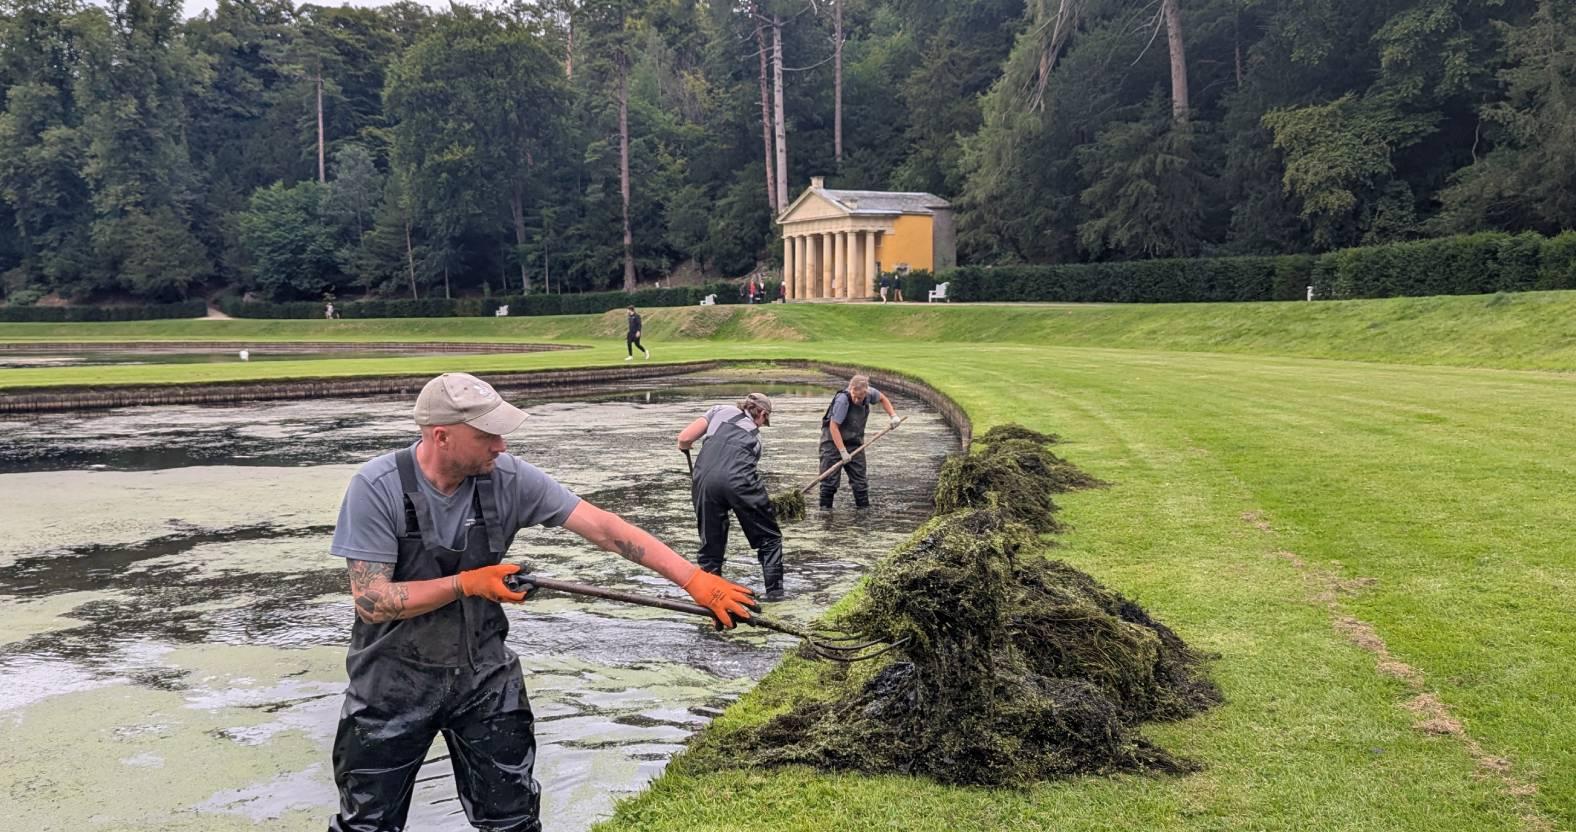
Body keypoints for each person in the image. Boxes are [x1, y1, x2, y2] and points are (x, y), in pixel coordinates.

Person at [327, 372, 756, 832]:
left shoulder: (507, 478)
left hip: (484, 677)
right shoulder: (377, 486)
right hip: (390, 683)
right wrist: (467, 583)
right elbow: (372, 600)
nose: (501, 446)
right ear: (441, 436)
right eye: (487, 435)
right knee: (367, 825)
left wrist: (694, 579)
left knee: (513, 820)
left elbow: (606, 529)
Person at [676, 393, 786, 601]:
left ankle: (710, 598)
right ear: (762, 413)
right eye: (765, 420)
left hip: (704, 481)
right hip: (740, 482)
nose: (762, 425)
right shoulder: (756, 440)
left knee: (711, 546)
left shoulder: (719, 410)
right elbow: (742, 474)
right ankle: (775, 595)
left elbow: (684, 438)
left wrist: (685, 449)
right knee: (769, 539)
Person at [818, 375, 899, 510]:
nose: (856, 399)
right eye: (854, 396)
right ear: (851, 389)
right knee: (829, 484)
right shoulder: (842, 401)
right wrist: (842, 451)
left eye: (859, 398)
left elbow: (883, 398)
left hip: (855, 442)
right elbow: (833, 427)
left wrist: (893, 416)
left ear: (866, 393)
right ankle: (826, 515)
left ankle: (863, 516)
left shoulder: (870, 393)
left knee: (860, 483)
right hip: (832, 443)